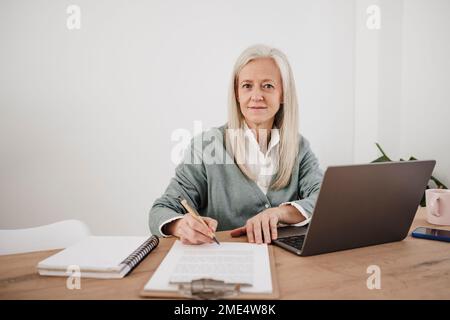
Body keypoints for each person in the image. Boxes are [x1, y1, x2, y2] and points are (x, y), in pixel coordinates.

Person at [149, 44, 323, 245]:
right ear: (237, 93)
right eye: (247, 86)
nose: (256, 96)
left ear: (283, 94)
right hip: (228, 262)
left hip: (287, 262)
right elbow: (160, 210)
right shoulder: (207, 146)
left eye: (268, 86)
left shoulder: (299, 146)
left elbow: (323, 199)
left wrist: (280, 213)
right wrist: (180, 225)